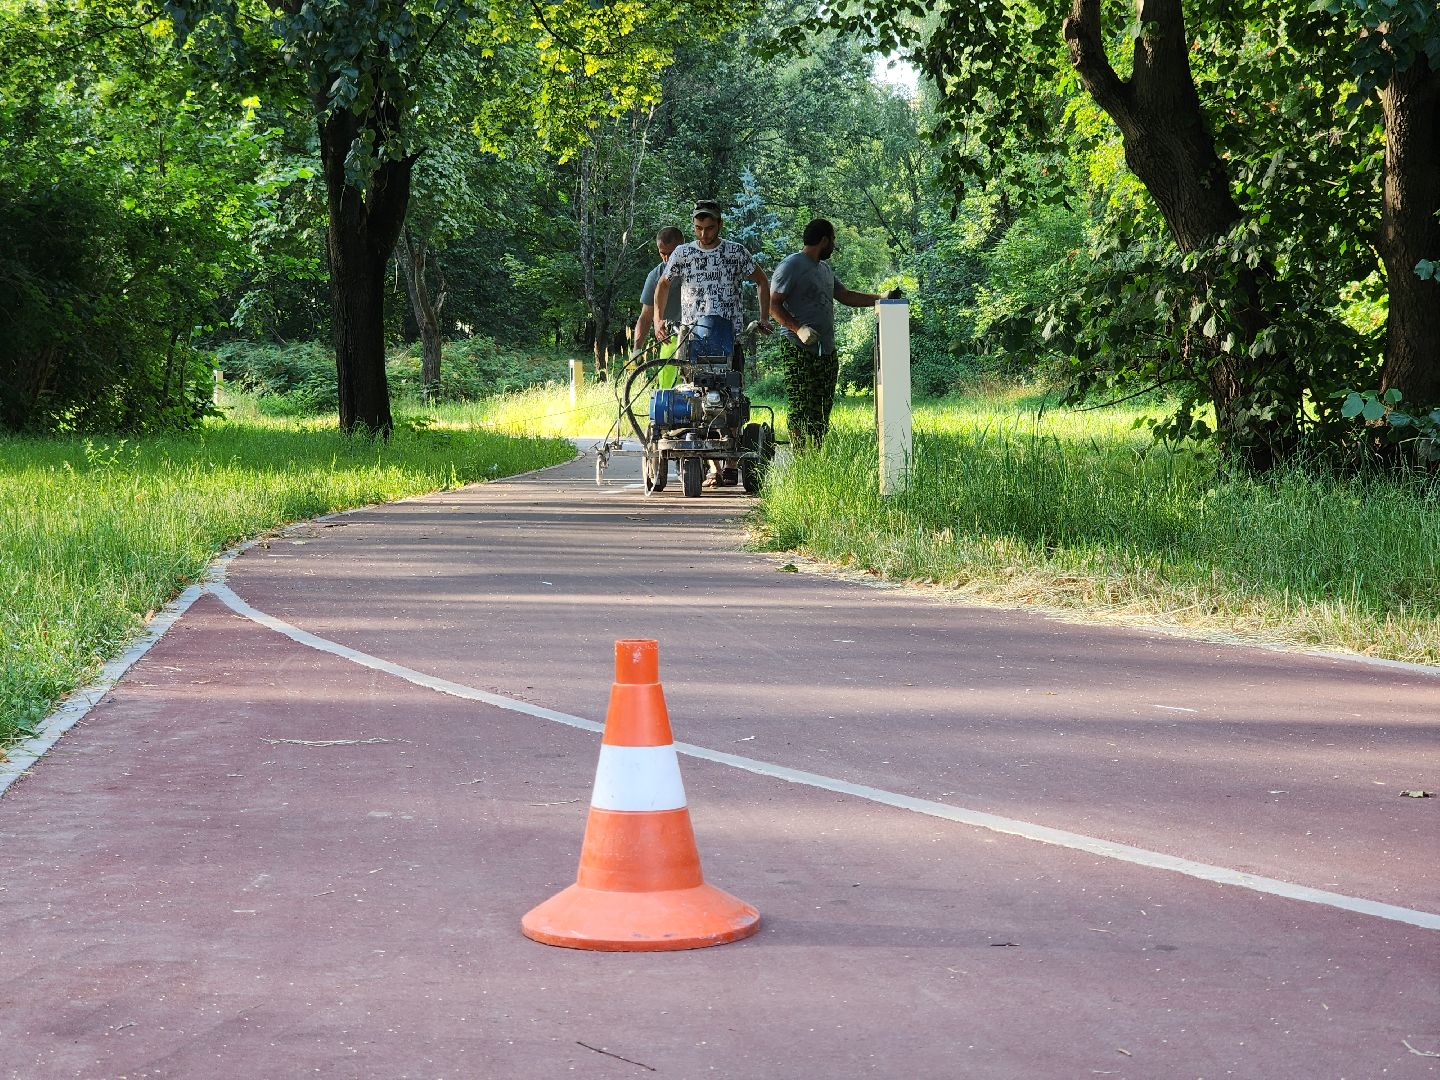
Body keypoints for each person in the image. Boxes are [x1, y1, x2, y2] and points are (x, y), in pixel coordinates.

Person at [655, 200, 773, 485]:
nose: (703, 234)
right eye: (698, 228)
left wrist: (764, 317)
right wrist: (659, 320)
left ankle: (731, 463)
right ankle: (712, 468)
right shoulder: (682, 253)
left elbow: (761, 280)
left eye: (709, 228)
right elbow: (663, 284)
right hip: (692, 338)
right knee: (696, 399)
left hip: (728, 337)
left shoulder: (735, 252)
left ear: (719, 225)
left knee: (731, 397)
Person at [769, 218, 894, 452]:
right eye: (834, 240)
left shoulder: (824, 269)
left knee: (822, 406)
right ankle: (800, 455)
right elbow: (772, 305)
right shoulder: (791, 265)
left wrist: (880, 298)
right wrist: (799, 329)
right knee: (801, 404)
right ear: (824, 240)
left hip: (826, 349)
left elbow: (845, 295)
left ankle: (816, 454)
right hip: (798, 347)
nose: (834, 245)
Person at [631, 226, 686, 389]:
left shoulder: (699, 268)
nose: (668, 258)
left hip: (700, 335)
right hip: (672, 337)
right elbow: (646, 316)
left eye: (672, 253)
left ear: (683, 247)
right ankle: (667, 407)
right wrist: (637, 350)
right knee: (666, 381)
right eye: (663, 253)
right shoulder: (655, 276)